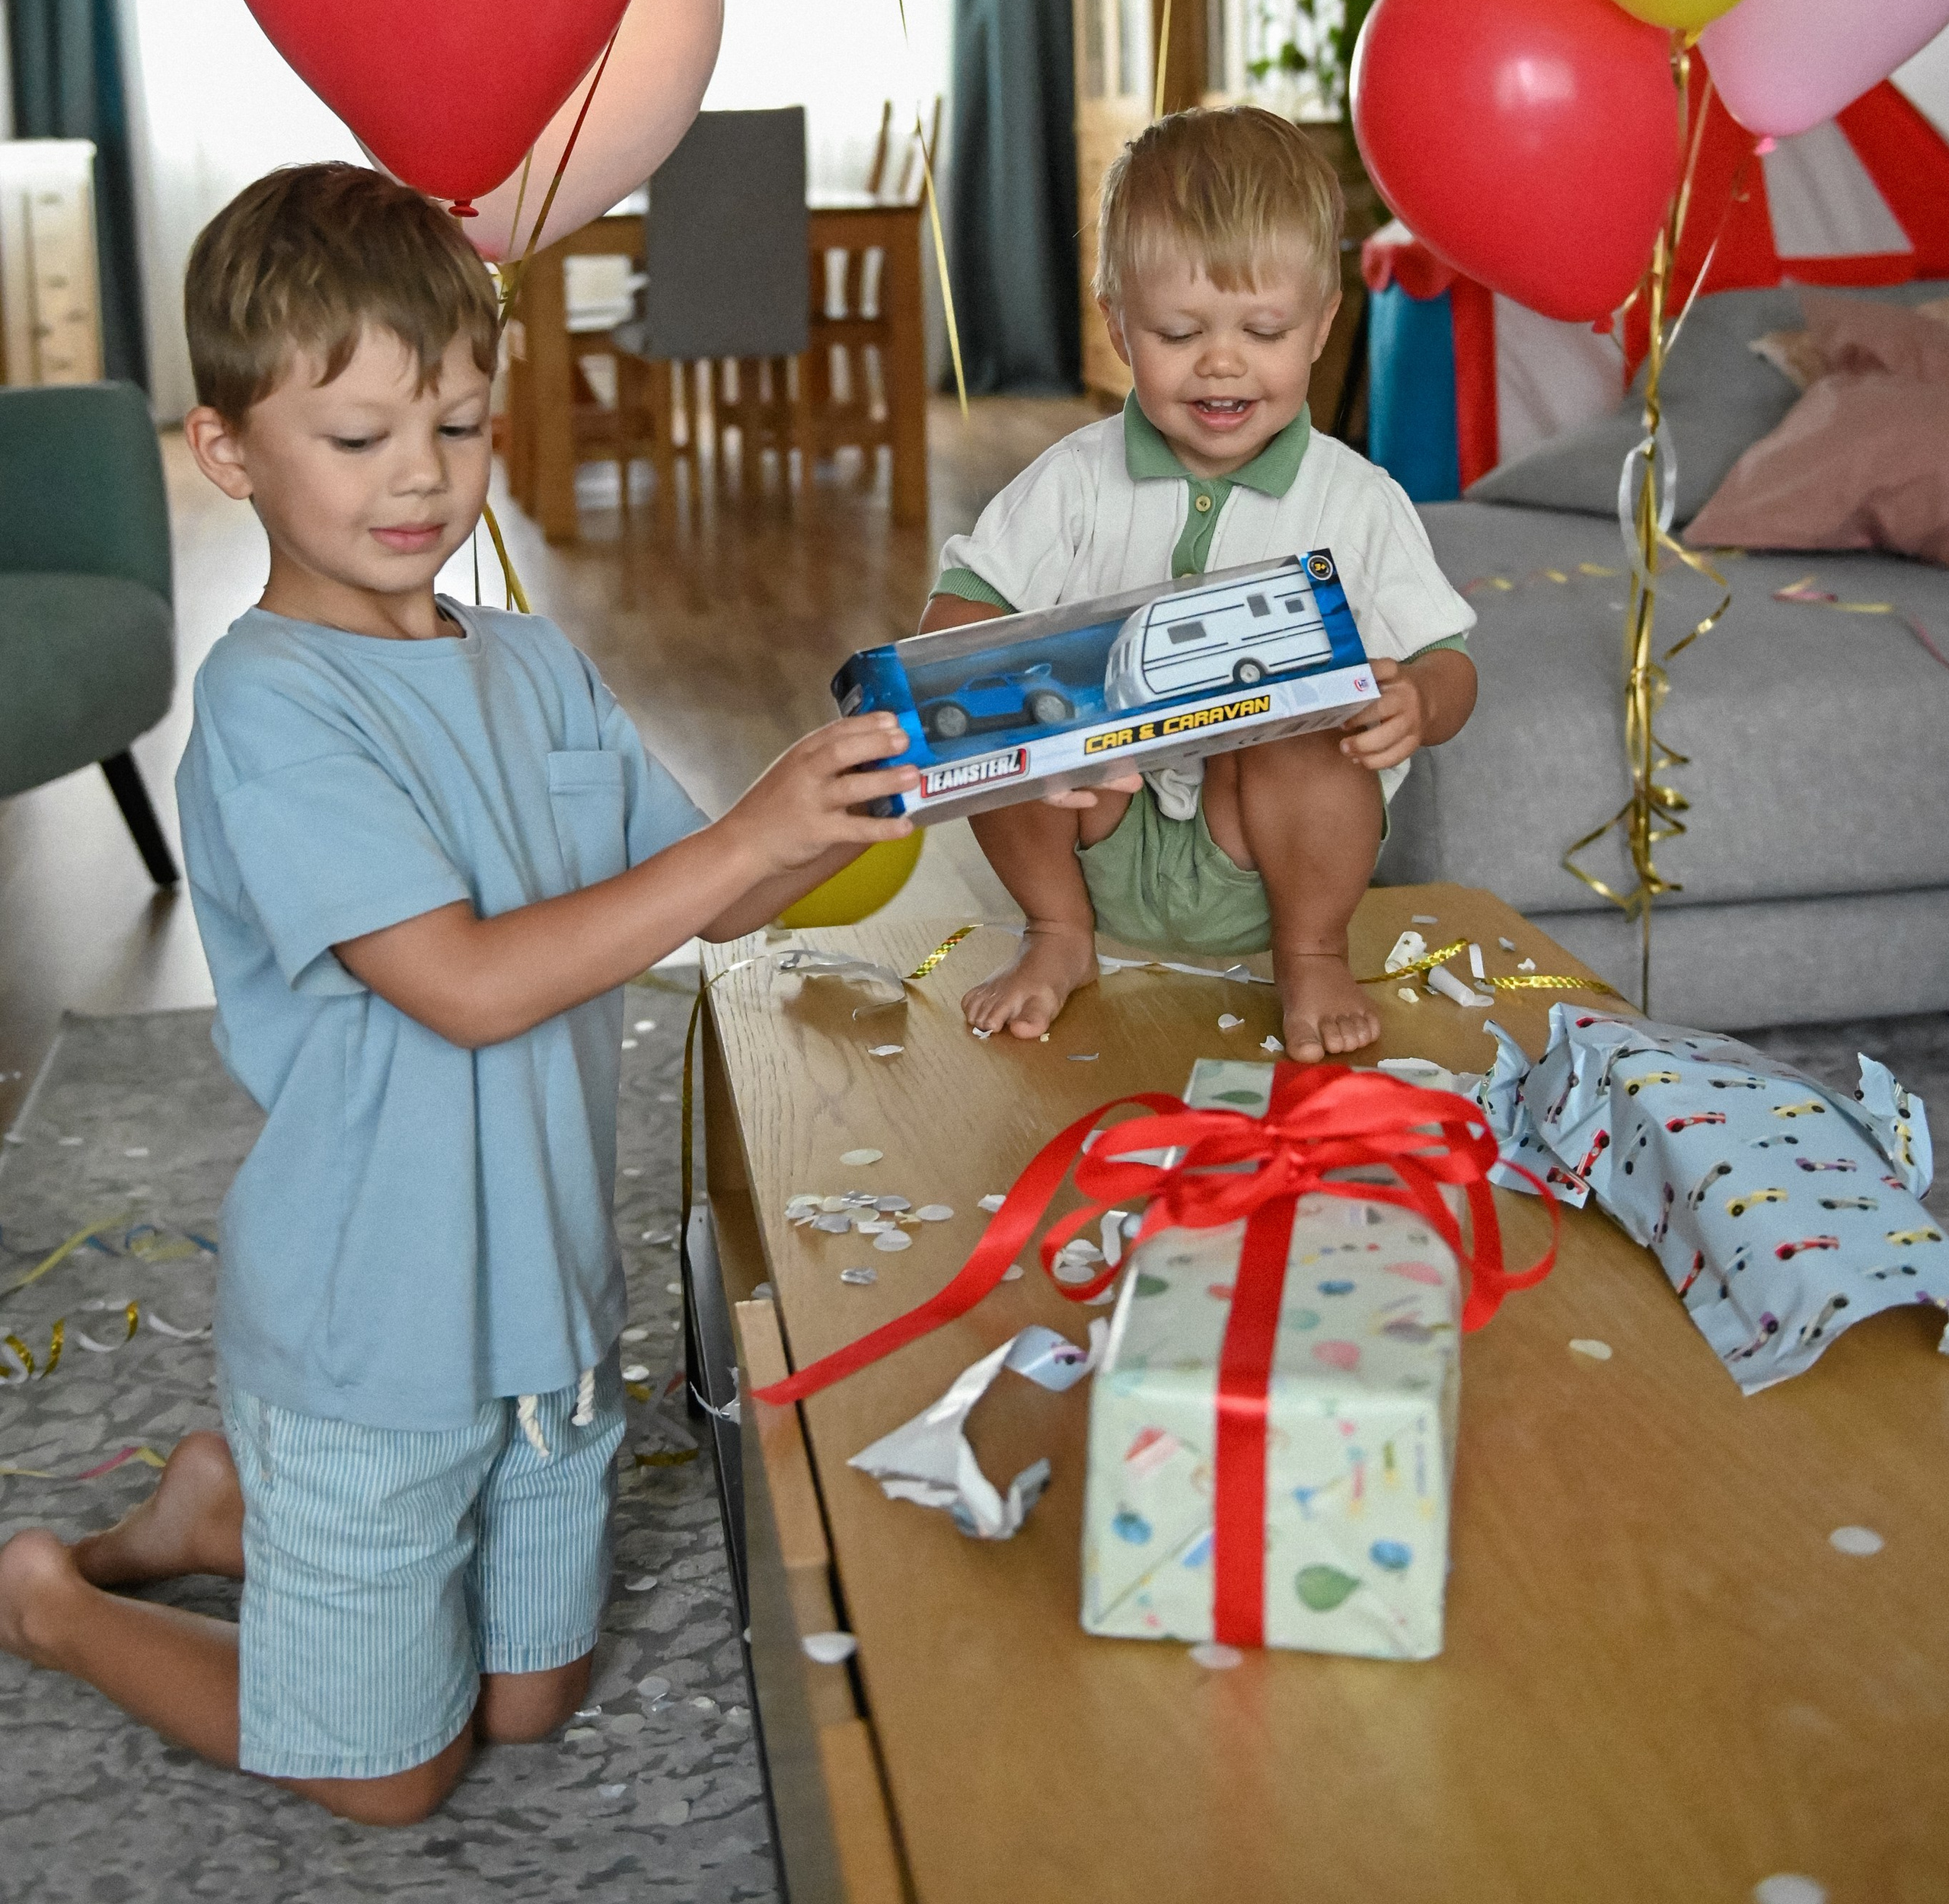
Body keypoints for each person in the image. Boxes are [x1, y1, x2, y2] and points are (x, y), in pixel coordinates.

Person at [0, 164, 913, 1825]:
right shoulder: (272, 706)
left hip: (549, 1308)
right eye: (355, 440)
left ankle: (226, 1511)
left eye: (459, 426)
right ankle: (60, 1604)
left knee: (533, 1702)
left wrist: (882, 788)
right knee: (398, 1779)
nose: (418, 479)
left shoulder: (530, 660)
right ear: (228, 451)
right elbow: (471, 987)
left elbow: (701, 887)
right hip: (375, 1330)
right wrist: (747, 838)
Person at [925, 106, 1476, 1064]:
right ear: (1115, 326)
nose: (1221, 361)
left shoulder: (1359, 499)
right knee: (999, 694)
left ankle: (1310, 956)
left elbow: (1449, 662)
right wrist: (1006, 693)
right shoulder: (1075, 477)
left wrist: (1417, 701)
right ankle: (1057, 932)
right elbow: (957, 612)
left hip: (1269, 857)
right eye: (1178, 331)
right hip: (1099, 829)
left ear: (1320, 326)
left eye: (1263, 330)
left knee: (1309, 729)